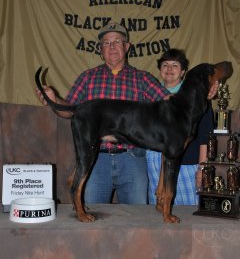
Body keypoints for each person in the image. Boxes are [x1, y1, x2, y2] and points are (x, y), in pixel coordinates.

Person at [36, 22, 170, 205]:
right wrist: (54, 99)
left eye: (117, 41)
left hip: (132, 158)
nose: (112, 46)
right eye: (106, 43)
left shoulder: (143, 79)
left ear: (127, 46)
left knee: (137, 221)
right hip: (96, 159)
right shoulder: (87, 78)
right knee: (93, 224)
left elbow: (170, 103)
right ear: (101, 49)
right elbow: (68, 111)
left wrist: (199, 93)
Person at [147, 49, 215, 205]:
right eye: (165, 64)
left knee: (187, 212)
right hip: (154, 164)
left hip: (184, 163)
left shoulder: (196, 97)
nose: (169, 69)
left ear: (183, 71)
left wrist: (202, 169)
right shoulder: (151, 96)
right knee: (158, 211)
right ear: (160, 69)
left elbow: (206, 136)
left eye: (175, 65)